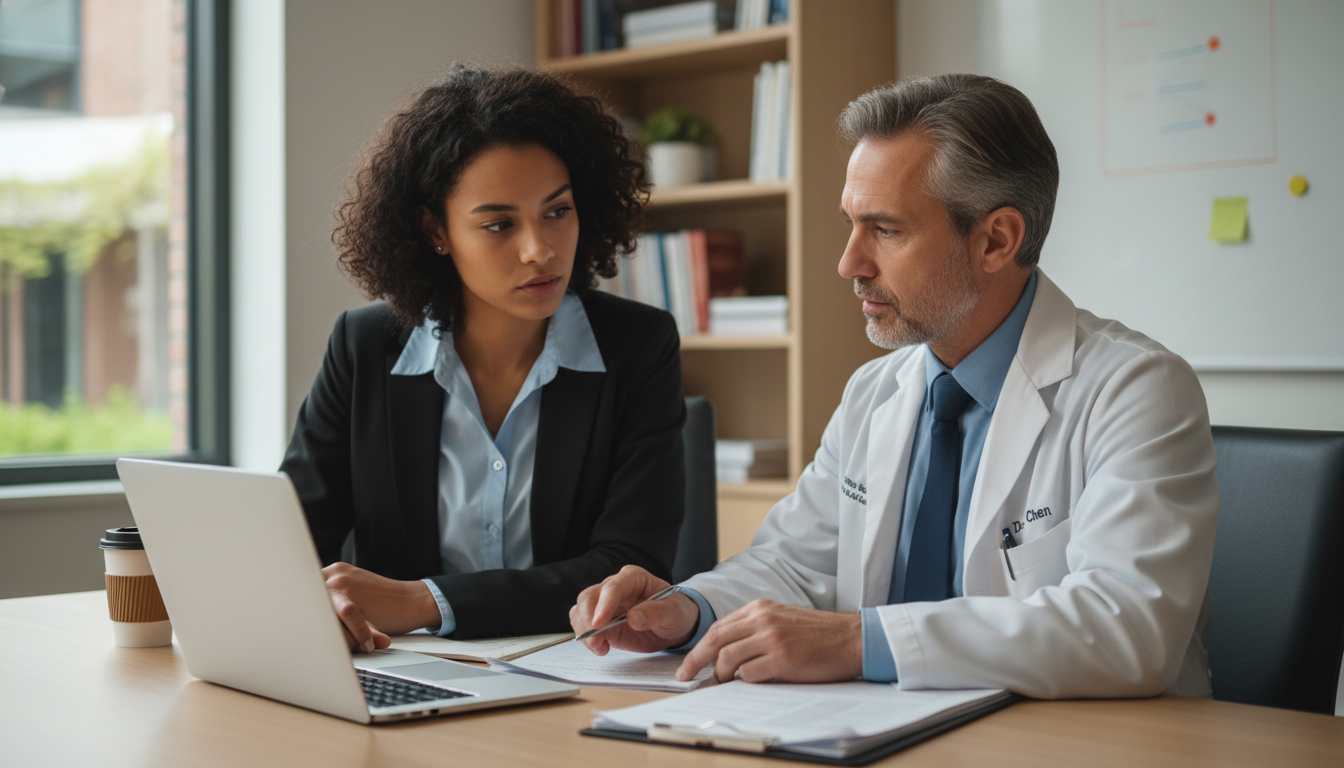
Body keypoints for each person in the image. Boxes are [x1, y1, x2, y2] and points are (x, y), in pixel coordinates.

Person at [570, 74, 1219, 700]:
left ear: (996, 239)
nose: (849, 263)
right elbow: (796, 564)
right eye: (851, 224)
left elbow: (1127, 626)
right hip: (886, 728)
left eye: (885, 229)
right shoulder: (874, 392)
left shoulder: (1135, 389)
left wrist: (861, 642)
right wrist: (685, 606)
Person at [281, 65, 686, 652]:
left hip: (569, 671)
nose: (540, 250)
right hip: (401, 667)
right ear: (435, 231)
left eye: (557, 211)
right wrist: (326, 603)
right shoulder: (364, 347)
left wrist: (423, 601)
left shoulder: (638, 346)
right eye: (498, 224)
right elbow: (294, 540)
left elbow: (629, 566)